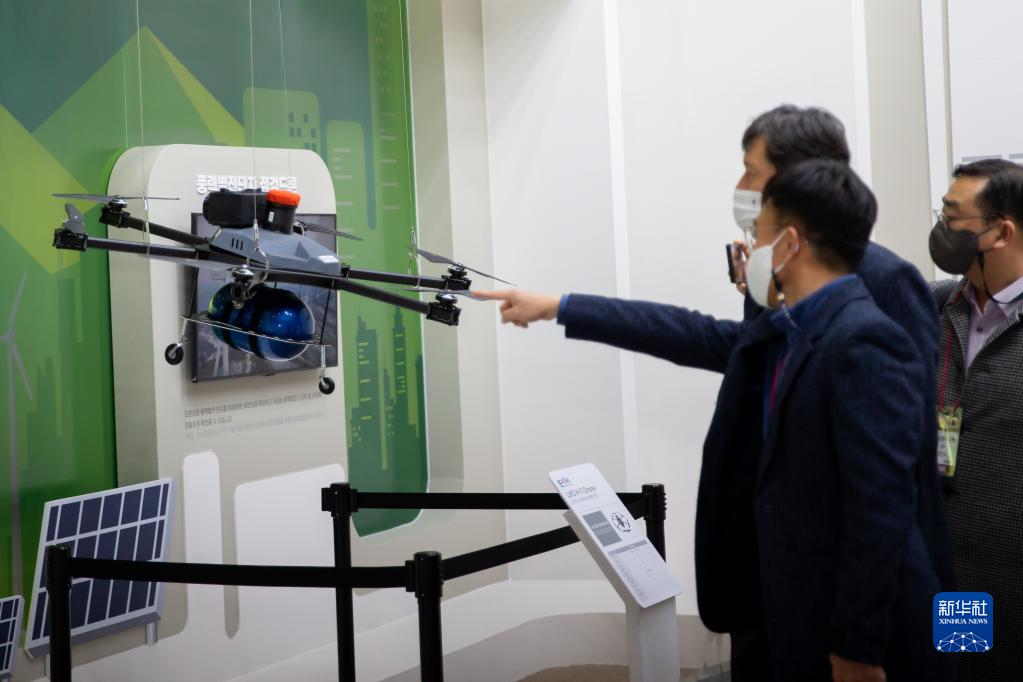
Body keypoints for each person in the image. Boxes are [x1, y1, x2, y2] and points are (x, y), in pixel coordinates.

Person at [486, 160, 950, 680]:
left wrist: (856, 649)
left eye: (761, 234)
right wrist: (560, 306)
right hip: (795, 611)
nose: (752, 249)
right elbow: (689, 331)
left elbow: (879, 507)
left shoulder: (864, 338)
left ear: (790, 244)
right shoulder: (793, 328)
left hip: (850, 639)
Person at [928, 158, 1023, 682]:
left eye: (953, 218)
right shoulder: (938, 306)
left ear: (1001, 232)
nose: (942, 230)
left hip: (1016, 572)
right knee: (962, 671)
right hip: (957, 571)